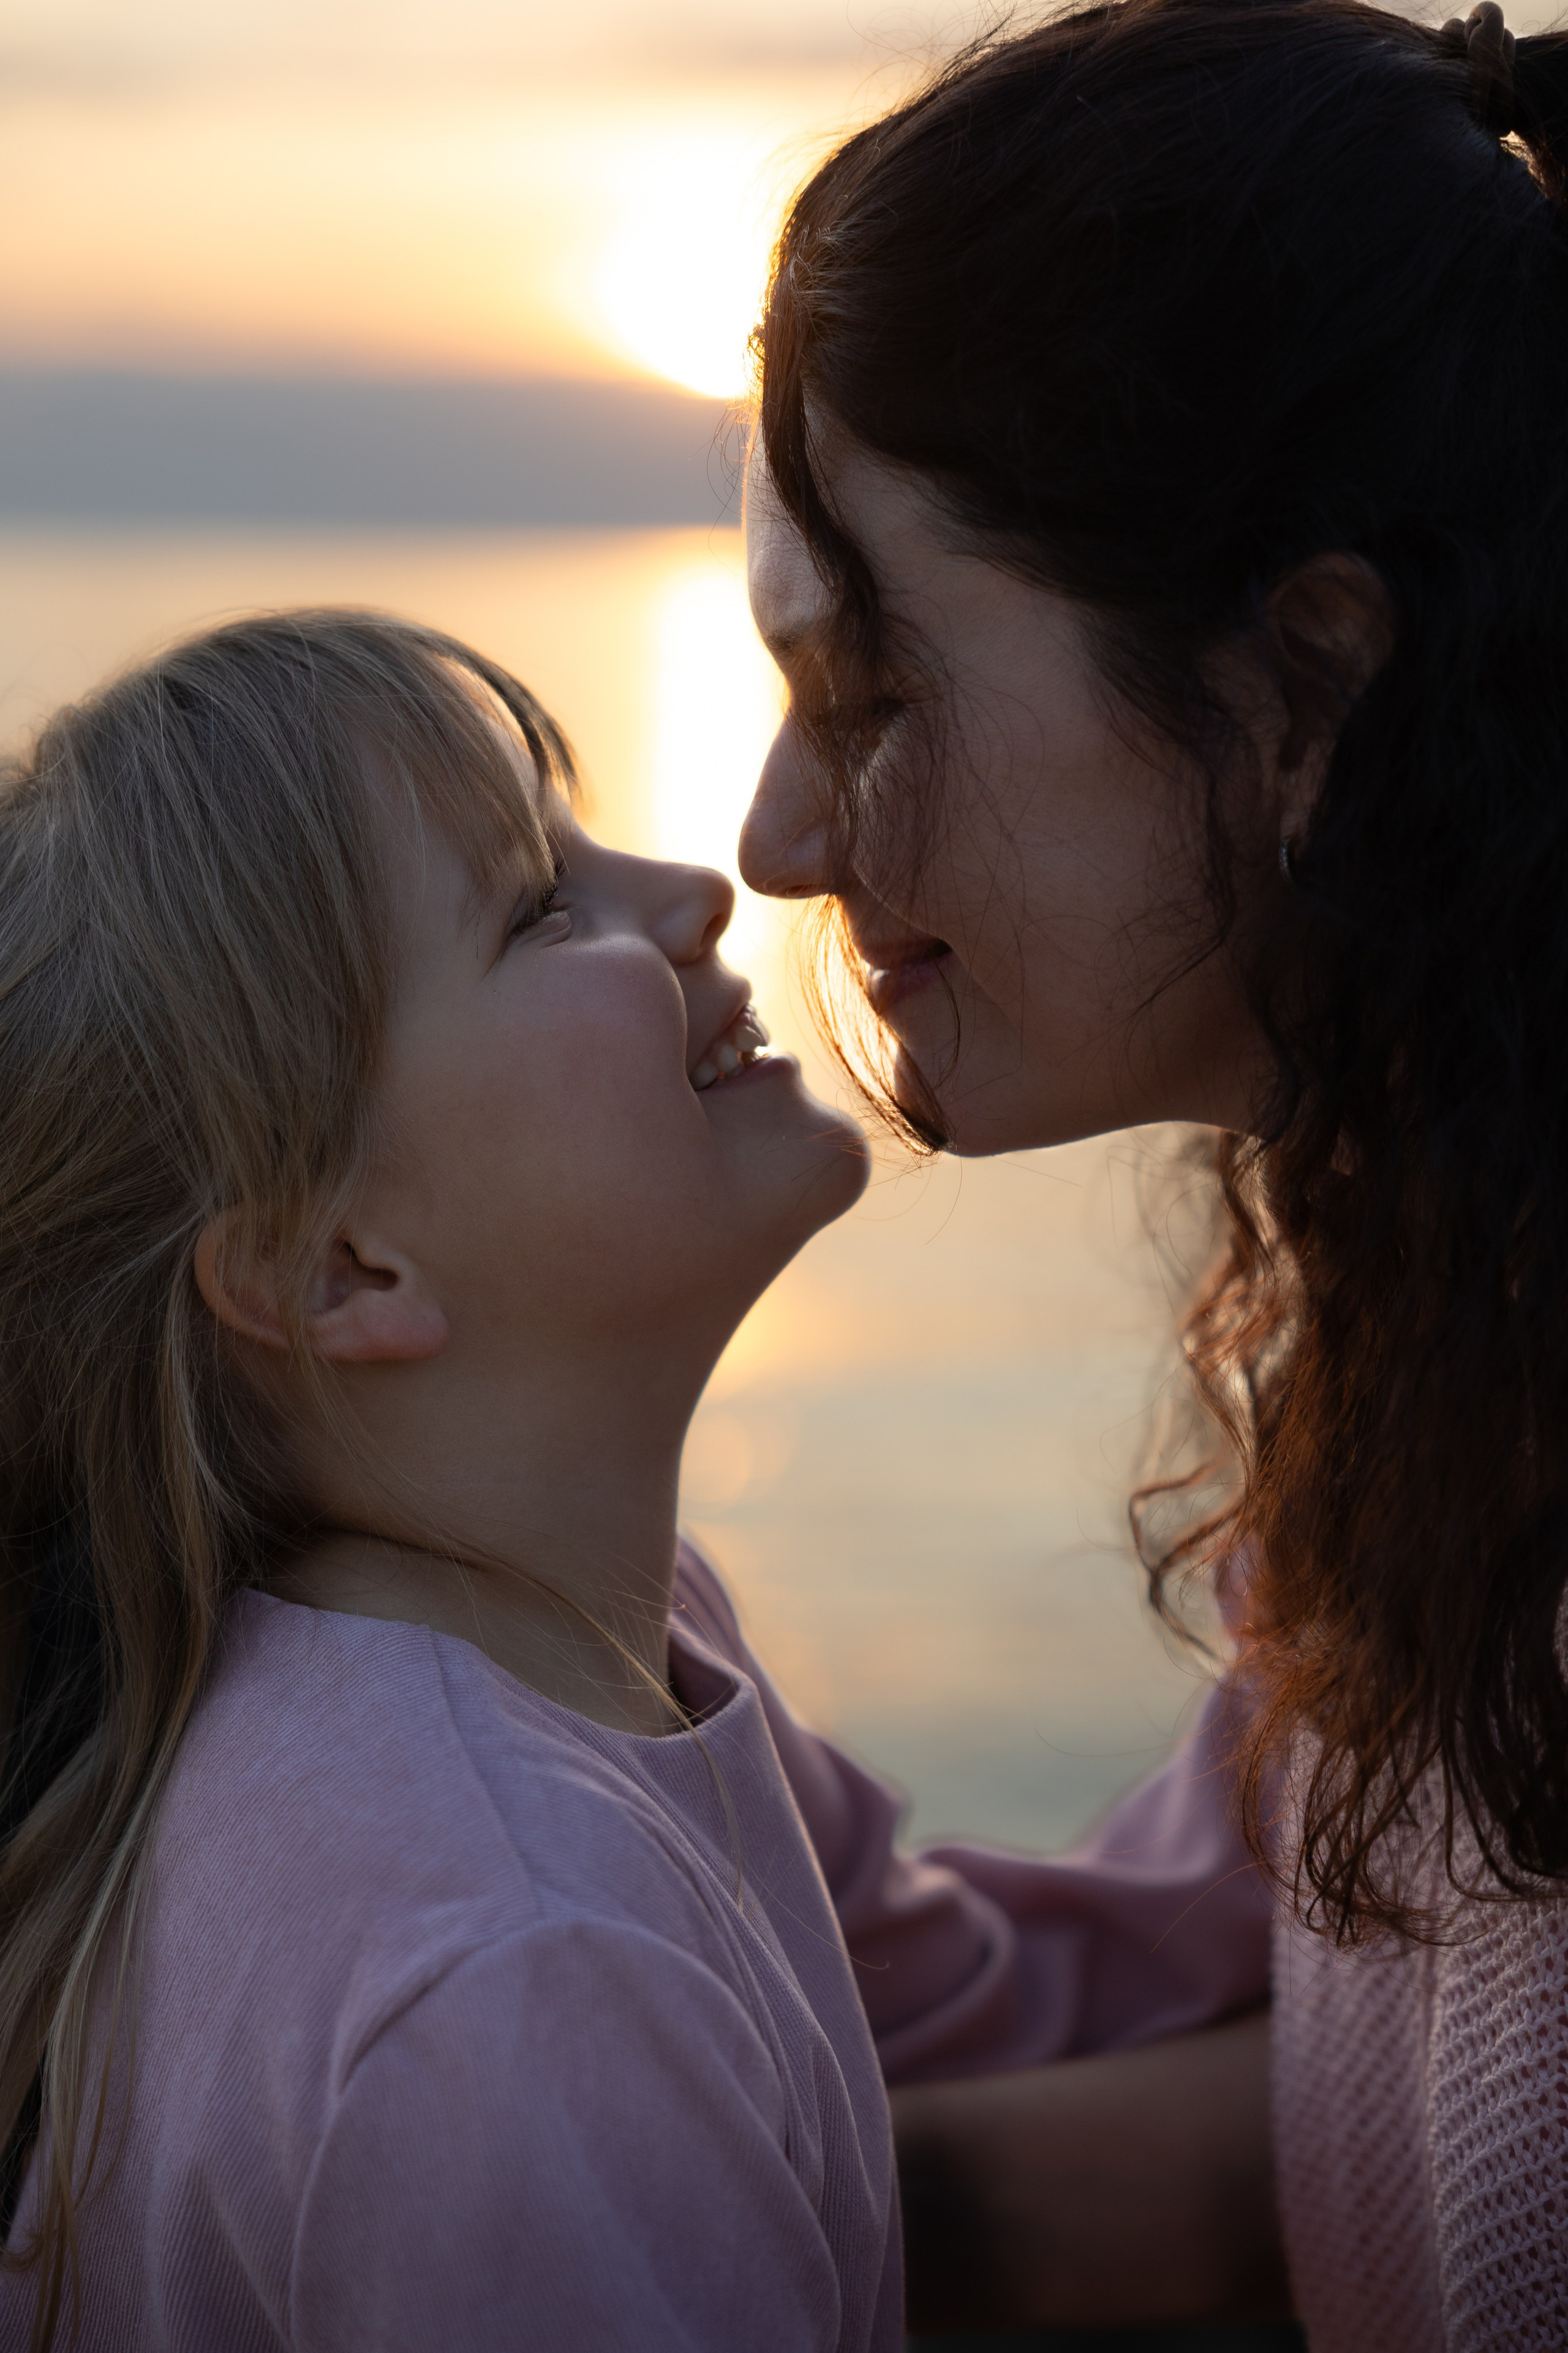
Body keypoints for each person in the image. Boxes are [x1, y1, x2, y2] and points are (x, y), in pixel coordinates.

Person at [738, 0, 1568, 2344]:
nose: (775, 839)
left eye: (872, 690)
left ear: (1304, 691)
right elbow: (1271, 2059)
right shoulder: (1436, 1340)